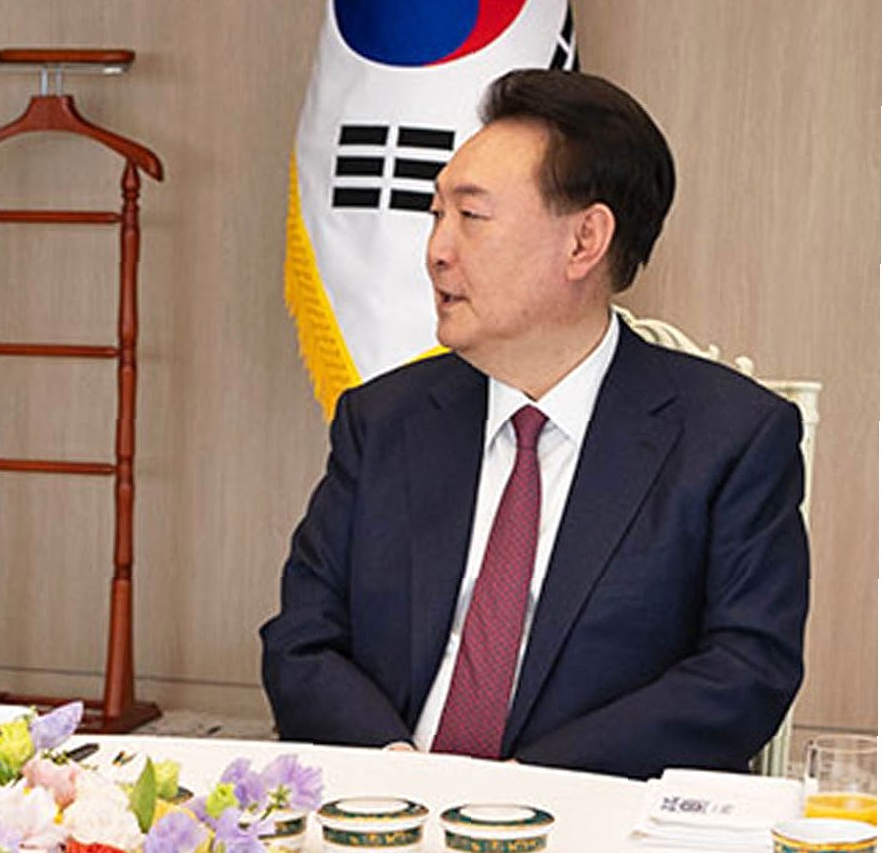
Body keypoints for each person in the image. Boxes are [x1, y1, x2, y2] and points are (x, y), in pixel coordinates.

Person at [260, 69, 807, 780]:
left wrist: (518, 788)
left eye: (471, 216)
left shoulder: (730, 437)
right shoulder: (384, 420)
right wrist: (399, 772)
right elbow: (302, 639)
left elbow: (745, 671)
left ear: (585, 241)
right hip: (386, 800)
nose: (437, 250)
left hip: (590, 815)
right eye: (435, 214)